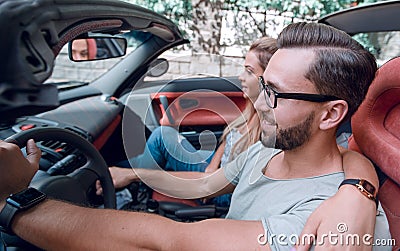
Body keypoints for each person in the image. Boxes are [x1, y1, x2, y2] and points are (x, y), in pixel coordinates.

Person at [0, 22, 392, 250]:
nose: (257, 104)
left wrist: (10, 200)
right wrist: (132, 175)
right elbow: (208, 181)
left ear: (331, 114)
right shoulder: (268, 152)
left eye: (273, 93)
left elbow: (168, 242)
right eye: (262, 85)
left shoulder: (323, 221)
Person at [111, 37, 278, 208]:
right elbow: (228, 142)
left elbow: (220, 183)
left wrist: (132, 174)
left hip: (223, 190)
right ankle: (114, 174)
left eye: (249, 72)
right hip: (217, 169)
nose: (240, 77)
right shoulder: (250, 109)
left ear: (268, 79)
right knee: (161, 139)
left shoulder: (267, 131)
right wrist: (212, 166)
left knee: (161, 138)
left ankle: (126, 189)